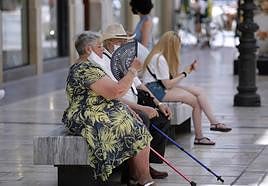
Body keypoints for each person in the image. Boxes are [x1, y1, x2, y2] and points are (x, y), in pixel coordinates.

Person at [62, 31, 156, 186]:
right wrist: (132, 71)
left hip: (97, 108)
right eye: (99, 47)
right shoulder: (85, 69)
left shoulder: (90, 66)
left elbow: (111, 94)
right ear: (88, 49)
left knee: (135, 121)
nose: (102, 50)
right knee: (131, 126)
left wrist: (129, 109)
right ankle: (142, 177)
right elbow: (115, 91)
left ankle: (140, 176)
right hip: (86, 113)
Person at [99, 23, 172, 180]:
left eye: (125, 40)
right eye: (122, 41)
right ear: (111, 42)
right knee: (143, 118)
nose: (125, 44)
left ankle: (147, 165)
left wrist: (158, 103)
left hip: (136, 99)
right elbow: (115, 94)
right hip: (120, 105)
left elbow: (139, 84)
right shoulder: (104, 62)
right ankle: (134, 169)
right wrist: (142, 108)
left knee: (162, 117)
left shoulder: (121, 57)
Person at [142, 31, 232, 145]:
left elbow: (168, 81)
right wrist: (185, 73)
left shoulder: (159, 56)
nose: (178, 49)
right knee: (195, 101)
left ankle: (213, 123)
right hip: (154, 90)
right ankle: (200, 136)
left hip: (159, 86)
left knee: (199, 91)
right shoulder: (160, 59)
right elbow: (168, 84)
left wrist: (188, 70)